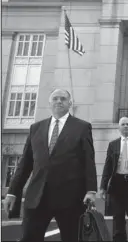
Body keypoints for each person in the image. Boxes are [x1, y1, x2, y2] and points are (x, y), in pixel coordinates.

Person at [2, 89, 97, 242]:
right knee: (29, 237)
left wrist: (91, 190)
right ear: (49, 103)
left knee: (72, 238)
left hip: (70, 198)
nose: (59, 101)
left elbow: (89, 161)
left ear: (70, 103)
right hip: (37, 198)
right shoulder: (36, 128)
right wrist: (12, 192)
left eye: (63, 99)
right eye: (55, 98)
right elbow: (25, 164)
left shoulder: (82, 127)